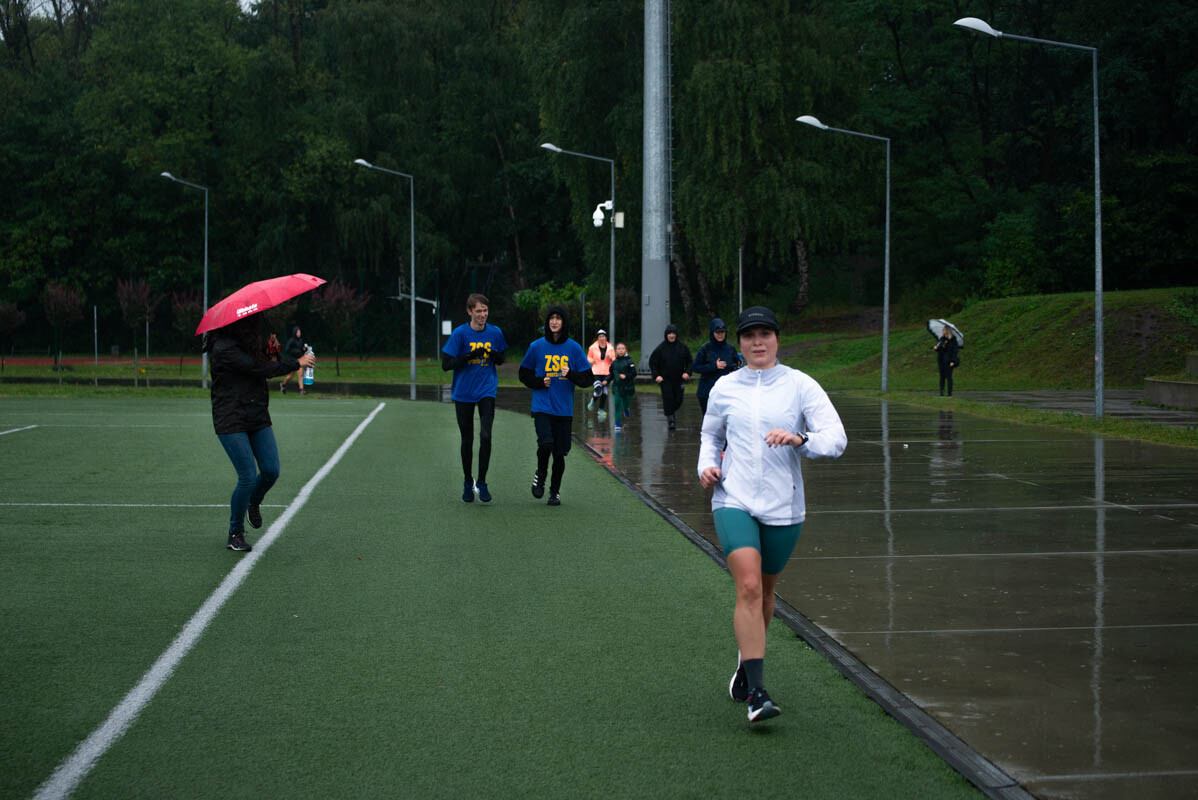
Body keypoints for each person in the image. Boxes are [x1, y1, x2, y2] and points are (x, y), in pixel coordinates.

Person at [697, 306, 846, 723]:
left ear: (778, 340)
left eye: (765, 334)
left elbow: (835, 439)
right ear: (739, 343)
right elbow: (710, 436)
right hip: (733, 498)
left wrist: (801, 439)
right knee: (747, 586)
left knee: (764, 591)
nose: (757, 342)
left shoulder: (800, 386)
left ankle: (746, 665)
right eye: (749, 336)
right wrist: (705, 467)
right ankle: (758, 693)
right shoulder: (725, 388)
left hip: (784, 506)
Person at [204, 315, 315, 552]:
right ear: (235, 325)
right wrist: (296, 363)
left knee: (271, 470)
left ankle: (253, 502)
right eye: (250, 323)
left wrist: (272, 352)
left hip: (256, 414)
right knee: (246, 476)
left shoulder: (250, 344)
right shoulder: (224, 349)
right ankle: (235, 532)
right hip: (231, 417)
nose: (255, 327)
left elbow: (265, 365)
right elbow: (257, 369)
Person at [518, 305, 601, 506]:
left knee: (560, 453)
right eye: (551, 318)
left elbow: (587, 378)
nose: (554, 322)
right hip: (542, 406)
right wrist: (539, 382)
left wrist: (570, 374)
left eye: (558, 318)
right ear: (547, 322)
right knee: (546, 443)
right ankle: (541, 473)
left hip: (563, 409)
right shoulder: (536, 346)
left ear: (564, 323)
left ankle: (554, 492)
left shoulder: (573, 348)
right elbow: (523, 373)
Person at [441, 293, 507, 503]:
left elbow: (502, 358)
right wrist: (470, 355)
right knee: (467, 439)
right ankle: (468, 481)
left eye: (485, 311)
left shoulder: (495, 332)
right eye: (478, 311)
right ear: (470, 312)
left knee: (486, 436)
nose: (482, 315)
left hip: (487, 390)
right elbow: (446, 364)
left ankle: (482, 481)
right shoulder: (460, 334)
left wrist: (492, 355)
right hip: (464, 393)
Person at [693, 317, 740, 417]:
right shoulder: (705, 349)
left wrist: (734, 370)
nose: (720, 335)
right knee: (709, 422)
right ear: (712, 332)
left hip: (726, 392)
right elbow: (696, 367)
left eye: (722, 332)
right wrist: (714, 366)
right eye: (717, 332)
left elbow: (737, 363)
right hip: (707, 392)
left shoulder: (730, 348)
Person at [648, 323, 692, 430]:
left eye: (673, 334)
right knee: (668, 399)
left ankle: (670, 412)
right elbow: (652, 362)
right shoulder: (660, 348)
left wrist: (687, 372)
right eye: (669, 334)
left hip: (679, 379)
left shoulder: (682, 347)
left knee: (678, 400)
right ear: (666, 335)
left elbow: (690, 361)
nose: (671, 336)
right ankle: (671, 421)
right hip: (665, 379)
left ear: (676, 335)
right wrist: (656, 375)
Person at [586, 329, 616, 419]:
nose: (601, 338)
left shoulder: (610, 348)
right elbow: (588, 358)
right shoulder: (592, 347)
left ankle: (601, 409)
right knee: (598, 389)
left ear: (606, 337)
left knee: (605, 392)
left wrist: (610, 358)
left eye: (603, 336)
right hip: (596, 371)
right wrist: (592, 360)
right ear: (598, 338)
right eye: (600, 337)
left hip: (607, 372)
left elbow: (614, 360)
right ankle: (593, 401)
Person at [610, 342, 636, 433]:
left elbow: (634, 373)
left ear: (625, 350)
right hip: (617, 387)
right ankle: (617, 424)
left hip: (628, 387)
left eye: (622, 348)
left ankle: (626, 408)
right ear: (616, 351)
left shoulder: (629, 361)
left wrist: (626, 376)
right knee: (617, 404)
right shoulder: (614, 363)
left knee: (626, 402)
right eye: (619, 349)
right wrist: (606, 380)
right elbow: (611, 374)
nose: (621, 350)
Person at [281, 326, 307, 395]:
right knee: (291, 375)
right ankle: (283, 384)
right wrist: (296, 351)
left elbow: (302, 349)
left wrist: (304, 349)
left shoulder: (301, 340)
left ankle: (301, 390)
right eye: (298, 332)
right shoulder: (291, 340)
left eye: (300, 332)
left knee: (300, 374)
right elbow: (287, 350)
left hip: (299, 360)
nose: (299, 333)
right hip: (292, 360)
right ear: (295, 332)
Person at [933, 328, 959, 397]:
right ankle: (941, 392)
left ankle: (949, 393)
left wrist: (953, 361)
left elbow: (955, 351)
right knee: (942, 376)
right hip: (941, 360)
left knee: (949, 376)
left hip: (949, 361)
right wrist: (936, 348)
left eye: (943, 330)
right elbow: (939, 347)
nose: (942, 332)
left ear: (947, 331)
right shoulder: (942, 339)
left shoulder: (953, 340)